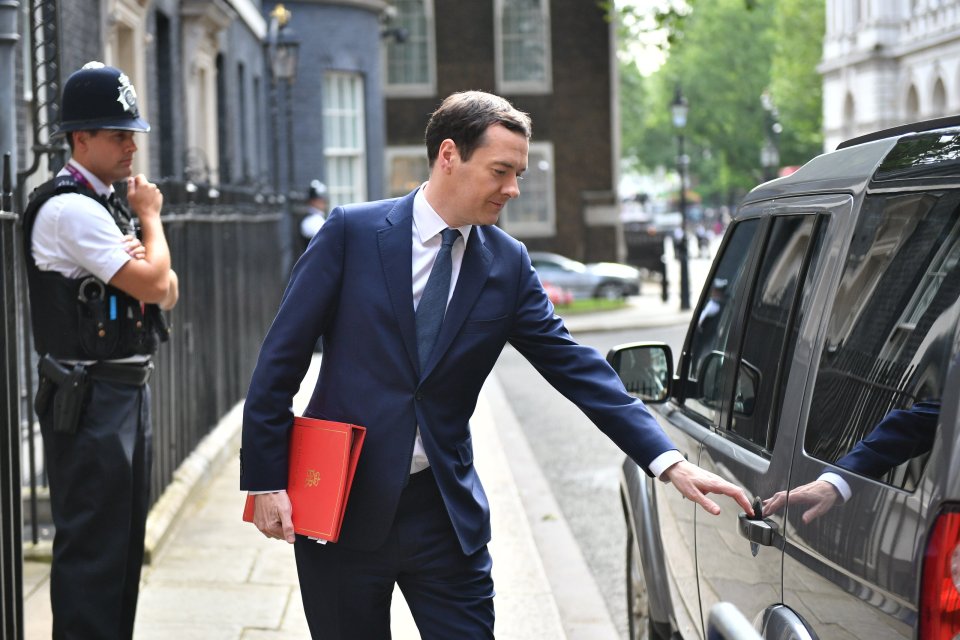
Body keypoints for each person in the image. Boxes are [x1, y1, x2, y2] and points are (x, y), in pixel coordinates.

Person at [241, 90, 751, 639]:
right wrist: (267, 480)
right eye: (501, 171)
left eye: (519, 174)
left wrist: (667, 460)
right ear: (449, 156)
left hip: (443, 513)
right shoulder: (352, 233)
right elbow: (281, 360)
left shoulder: (506, 264)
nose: (512, 189)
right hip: (343, 507)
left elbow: (574, 366)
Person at [22, 61, 179, 639]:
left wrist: (148, 245)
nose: (130, 145)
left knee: (119, 549)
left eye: (132, 133)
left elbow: (169, 292)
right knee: (94, 553)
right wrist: (152, 219)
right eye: (117, 134)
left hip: (119, 390)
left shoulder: (105, 203)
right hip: (89, 397)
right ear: (79, 138)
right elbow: (158, 284)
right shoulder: (73, 209)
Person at [299, 179, 328, 252]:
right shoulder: (311, 220)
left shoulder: (320, 217)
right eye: (319, 200)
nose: (323, 203)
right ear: (312, 201)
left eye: (324, 200)